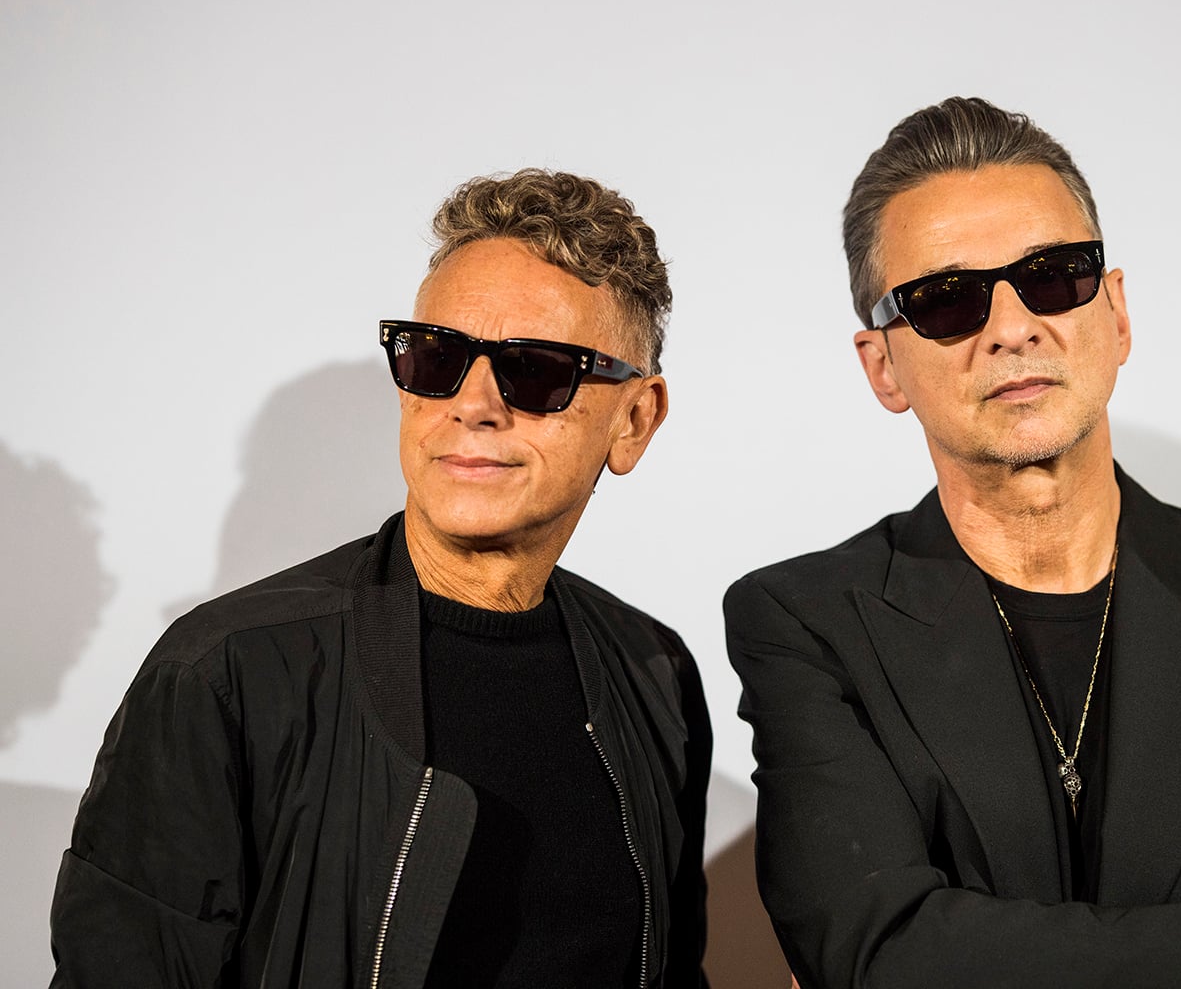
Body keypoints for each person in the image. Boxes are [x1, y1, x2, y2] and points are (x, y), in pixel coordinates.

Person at [724, 98, 1181, 988]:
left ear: (1117, 314)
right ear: (883, 367)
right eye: (947, 302)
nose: (1013, 326)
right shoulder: (806, 623)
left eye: (1055, 276)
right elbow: (878, 955)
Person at [51, 169, 711, 988]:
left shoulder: (654, 672)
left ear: (635, 419)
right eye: (438, 358)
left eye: (537, 370)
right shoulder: (228, 673)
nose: (472, 404)